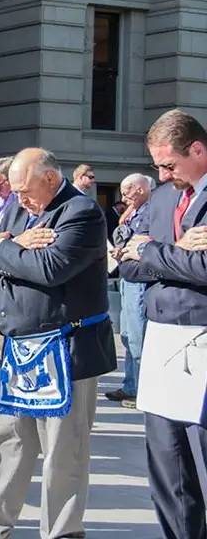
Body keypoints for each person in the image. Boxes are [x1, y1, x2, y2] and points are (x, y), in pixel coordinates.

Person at [0, 148, 116, 539]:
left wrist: (4, 247)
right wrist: (13, 245)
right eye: (14, 191)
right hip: (20, 349)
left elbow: (50, 268)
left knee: (64, 450)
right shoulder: (18, 209)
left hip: (67, 349)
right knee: (7, 442)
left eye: (25, 190)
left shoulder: (81, 212)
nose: (19, 199)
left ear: (50, 178)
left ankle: (62, 531)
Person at [118, 109, 207, 539]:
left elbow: (205, 266)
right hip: (162, 338)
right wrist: (171, 250)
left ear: (198, 149)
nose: (162, 173)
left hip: (202, 338)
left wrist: (152, 250)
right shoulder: (162, 197)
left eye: (168, 164)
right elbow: (128, 266)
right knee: (166, 457)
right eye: (157, 166)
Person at [106, 173, 151, 409]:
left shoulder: (148, 212)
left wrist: (125, 250)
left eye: (127, 192)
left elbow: (141, 243)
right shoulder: (132, 211)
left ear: (141, 190)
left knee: (137, 336)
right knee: (126, 334)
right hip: (127, 276)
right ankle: (131, 384)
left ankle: (140, 390)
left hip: (138, 278)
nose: (123, 197)